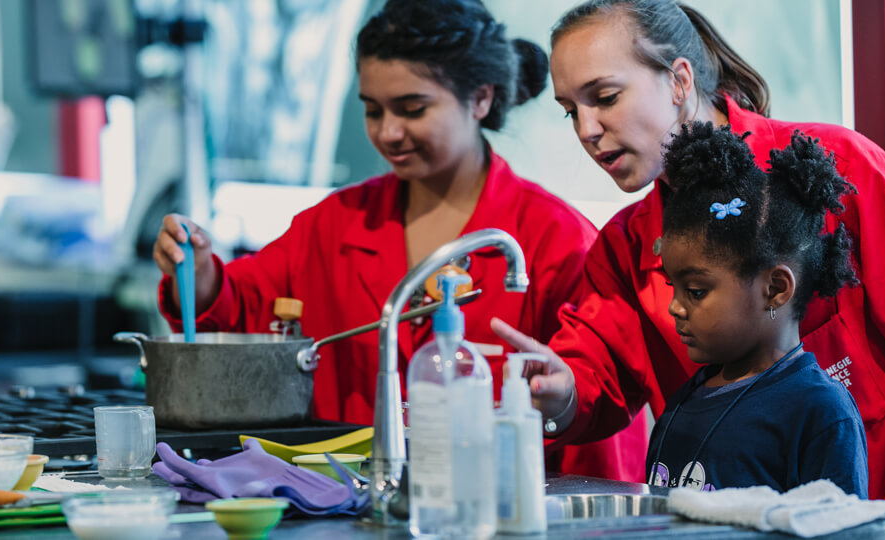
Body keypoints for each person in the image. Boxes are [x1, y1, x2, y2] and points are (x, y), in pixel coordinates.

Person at [489, 1, 885, 537]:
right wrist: (561, 389)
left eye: (604, 97)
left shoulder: (837, 172)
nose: (586, 128)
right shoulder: (628, 246)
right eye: (569, 111)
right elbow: (594, 373)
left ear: (679, 81)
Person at [153, 0, 647, 480]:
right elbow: (240, 307)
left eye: (412, 108)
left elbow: (597, 412)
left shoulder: (553, 239)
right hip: (353, 508)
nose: (388, 132)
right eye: (373, 110)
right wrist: (196, 273)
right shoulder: (333, 224)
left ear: (480, 98)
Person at [646, 121, 867, 496]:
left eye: (696, 291)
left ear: (775, 289)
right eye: (674, 287)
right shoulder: (684, 402)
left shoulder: (819, 412)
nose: (675, 308)